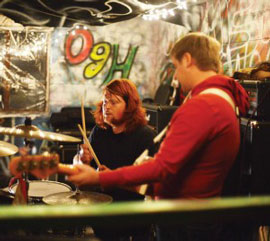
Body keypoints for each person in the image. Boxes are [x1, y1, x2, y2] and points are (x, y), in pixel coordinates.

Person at [68, 33, 249, 241]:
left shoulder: (204, 106)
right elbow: (183, 172)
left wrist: (100, 177)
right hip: (198, 214)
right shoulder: (223, 100)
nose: (175, 76)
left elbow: (163, 169)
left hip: (185, 221)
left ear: (187, 59)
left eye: (176, 66)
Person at [75, 78, 157, 241]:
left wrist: (110, 178)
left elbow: (149, 186)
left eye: (114, 102)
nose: (107, 106)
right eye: (105, 101)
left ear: (130, 106)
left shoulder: (146, 137)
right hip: (102, 218)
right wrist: (81, 161)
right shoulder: (99, 131)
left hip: (132, 223)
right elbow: (83, 175)